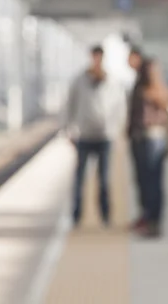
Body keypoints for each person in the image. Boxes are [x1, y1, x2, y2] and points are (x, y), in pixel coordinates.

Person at [65, 45, 125, 227]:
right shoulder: (79, 80)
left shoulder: (112, 81)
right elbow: (70, 104)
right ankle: (76, 216)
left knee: (104, 179)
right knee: (79, 178)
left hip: (105, 135)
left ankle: (105, 216)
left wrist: (116, 129)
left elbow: (120, 107)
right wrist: (69, 128)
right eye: (94, 56)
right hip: (84, 135)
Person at [127, 47, 168, 238]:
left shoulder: (155, 90)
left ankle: (153, 222)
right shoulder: (142, 86)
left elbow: (161, 110)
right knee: (144, 182)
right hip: (141, 139)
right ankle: (147, 218)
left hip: (152, 139)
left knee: (152, 183)